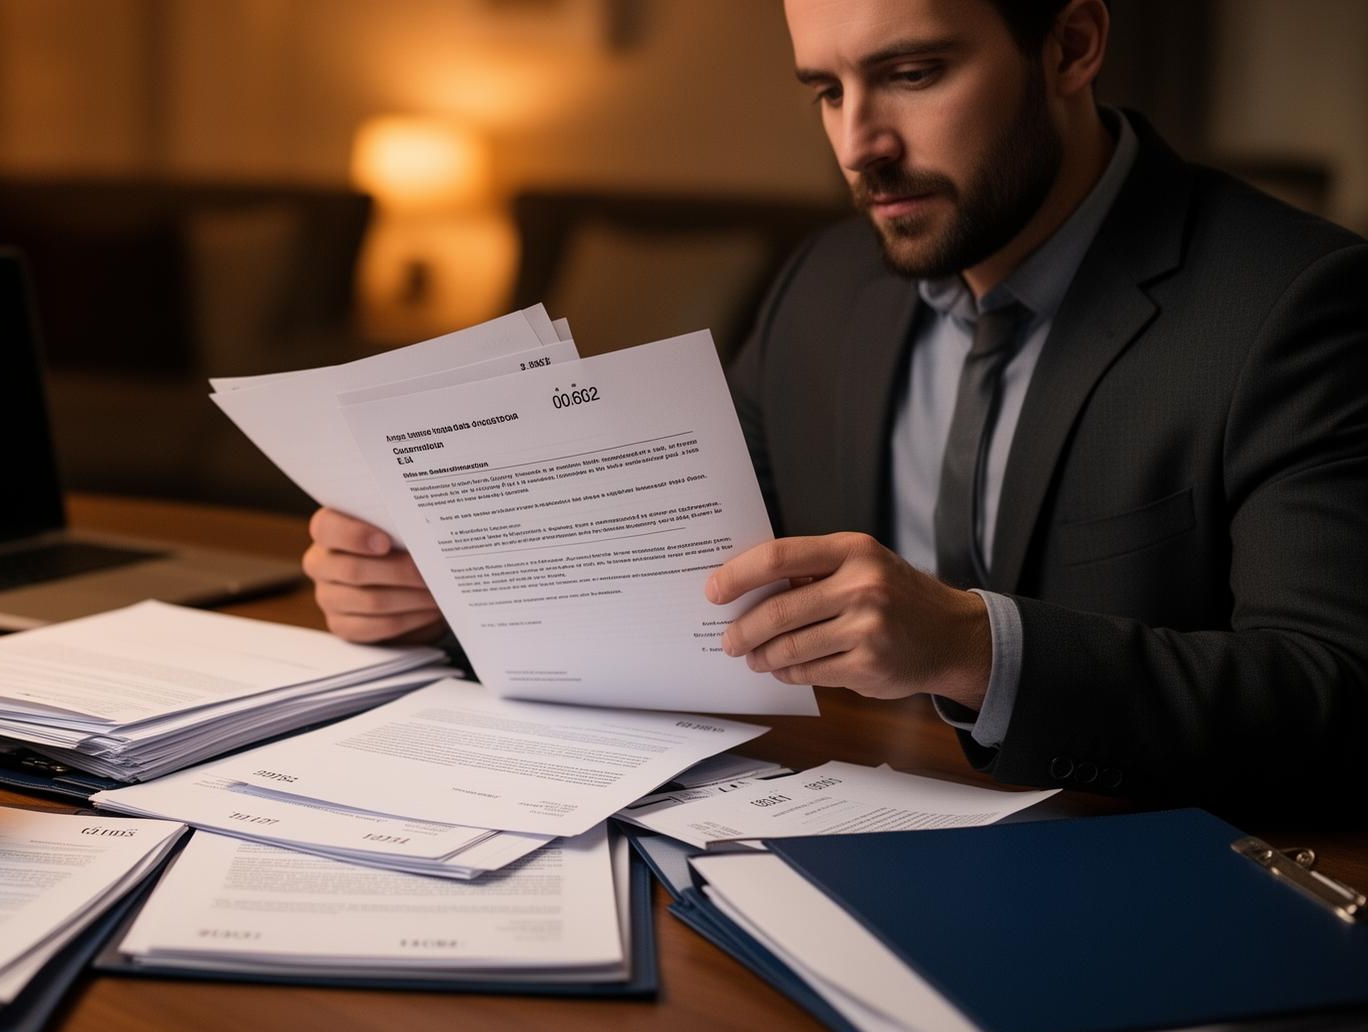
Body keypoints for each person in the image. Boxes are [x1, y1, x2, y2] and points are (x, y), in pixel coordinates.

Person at [303, 0, 1368, 805]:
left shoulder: (1298, 303)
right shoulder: (827, 282)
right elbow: (684, 563)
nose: (861, 144)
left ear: (1072, 46)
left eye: (911, 73)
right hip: (828, 826)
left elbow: (1337, 696)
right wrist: (451, 594)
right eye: (827, 90)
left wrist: (971, 645)